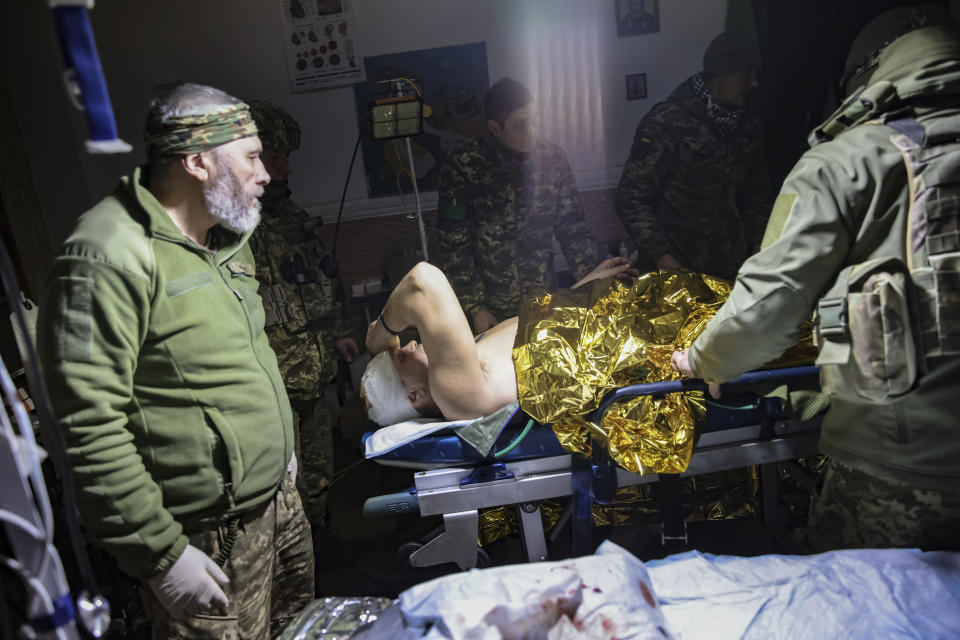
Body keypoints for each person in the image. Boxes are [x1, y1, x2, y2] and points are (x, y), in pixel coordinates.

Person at [671, 5, 960, 552]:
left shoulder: (851, 159)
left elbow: (769, 305)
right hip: (688, 260)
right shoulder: (672, 124)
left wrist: (706, 359)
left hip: (901, 468)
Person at [36, 83, 314, 639]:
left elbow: (242, 361)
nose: (265, 174)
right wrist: (160, 556)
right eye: (253, 157)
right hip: (207, 536)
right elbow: (88, 427)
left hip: (279, 508)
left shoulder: (229, 233)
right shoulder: (108, 255)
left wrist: (279, 455)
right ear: (197, 162)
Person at [247, 100, 358, 534]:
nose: (286, 169)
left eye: (286, 158)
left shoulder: (292, 219)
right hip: (273, 383)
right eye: (275, 158)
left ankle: (322, 555)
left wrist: (336, 334)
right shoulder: (230, 228)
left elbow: (314, 287)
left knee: (319, 473)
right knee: (285, 482)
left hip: (311, 373)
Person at [361, 258, 636, 426]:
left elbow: (534, 329)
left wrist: (586, 284)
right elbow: (422, 282)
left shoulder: (463, 371)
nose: (408, 345)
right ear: (415, 396)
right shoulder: (456, 396)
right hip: (634, 331)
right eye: (402, 358)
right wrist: (381, 332)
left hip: (616, 314)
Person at [435, 77, 601, 335]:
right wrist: (475, 306)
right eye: (520, 125)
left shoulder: (552, 160)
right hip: (490, 313)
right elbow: (453, 246)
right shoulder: (462, 167)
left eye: (534, 120)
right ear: (494, 127)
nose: (531, 131)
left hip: (542, 304)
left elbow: (574, 231)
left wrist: (595, 289)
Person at [615, 31, 773, 281]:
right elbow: (631, 198)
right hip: (670, 275)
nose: (754, 83)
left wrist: (758, 247)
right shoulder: (667, 121)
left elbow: (756, 196)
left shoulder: (748, 127)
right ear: (724, 72)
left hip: (727, 274)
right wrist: (663, 258)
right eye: (748, 72)